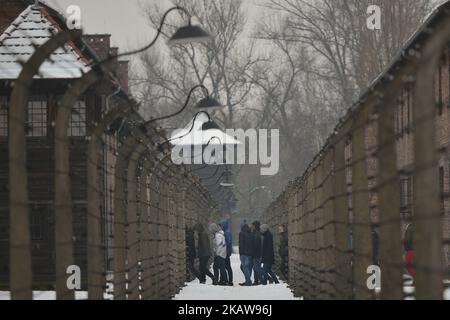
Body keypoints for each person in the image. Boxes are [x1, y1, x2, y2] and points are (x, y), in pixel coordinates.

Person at [219, 219, 234, 286]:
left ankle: (229, 281)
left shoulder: (227, 232)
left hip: (226, 252)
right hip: (226, 252)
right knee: (224, 266)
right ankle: (223, 280)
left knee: (227, 267)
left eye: (221, 225)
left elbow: (228, 241)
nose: (220, 227)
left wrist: (223, 246)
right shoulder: (225, 231)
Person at [251, 221, 263, 285]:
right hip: (257, 253)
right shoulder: (257, 233)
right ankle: (257, 280)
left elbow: (256, 245)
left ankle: (261, 280)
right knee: (256, 268)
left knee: (256, 268)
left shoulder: (257, 234)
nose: (251, 227)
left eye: (252, 225)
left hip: (256, 254)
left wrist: (252, 252)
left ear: (255, 226)